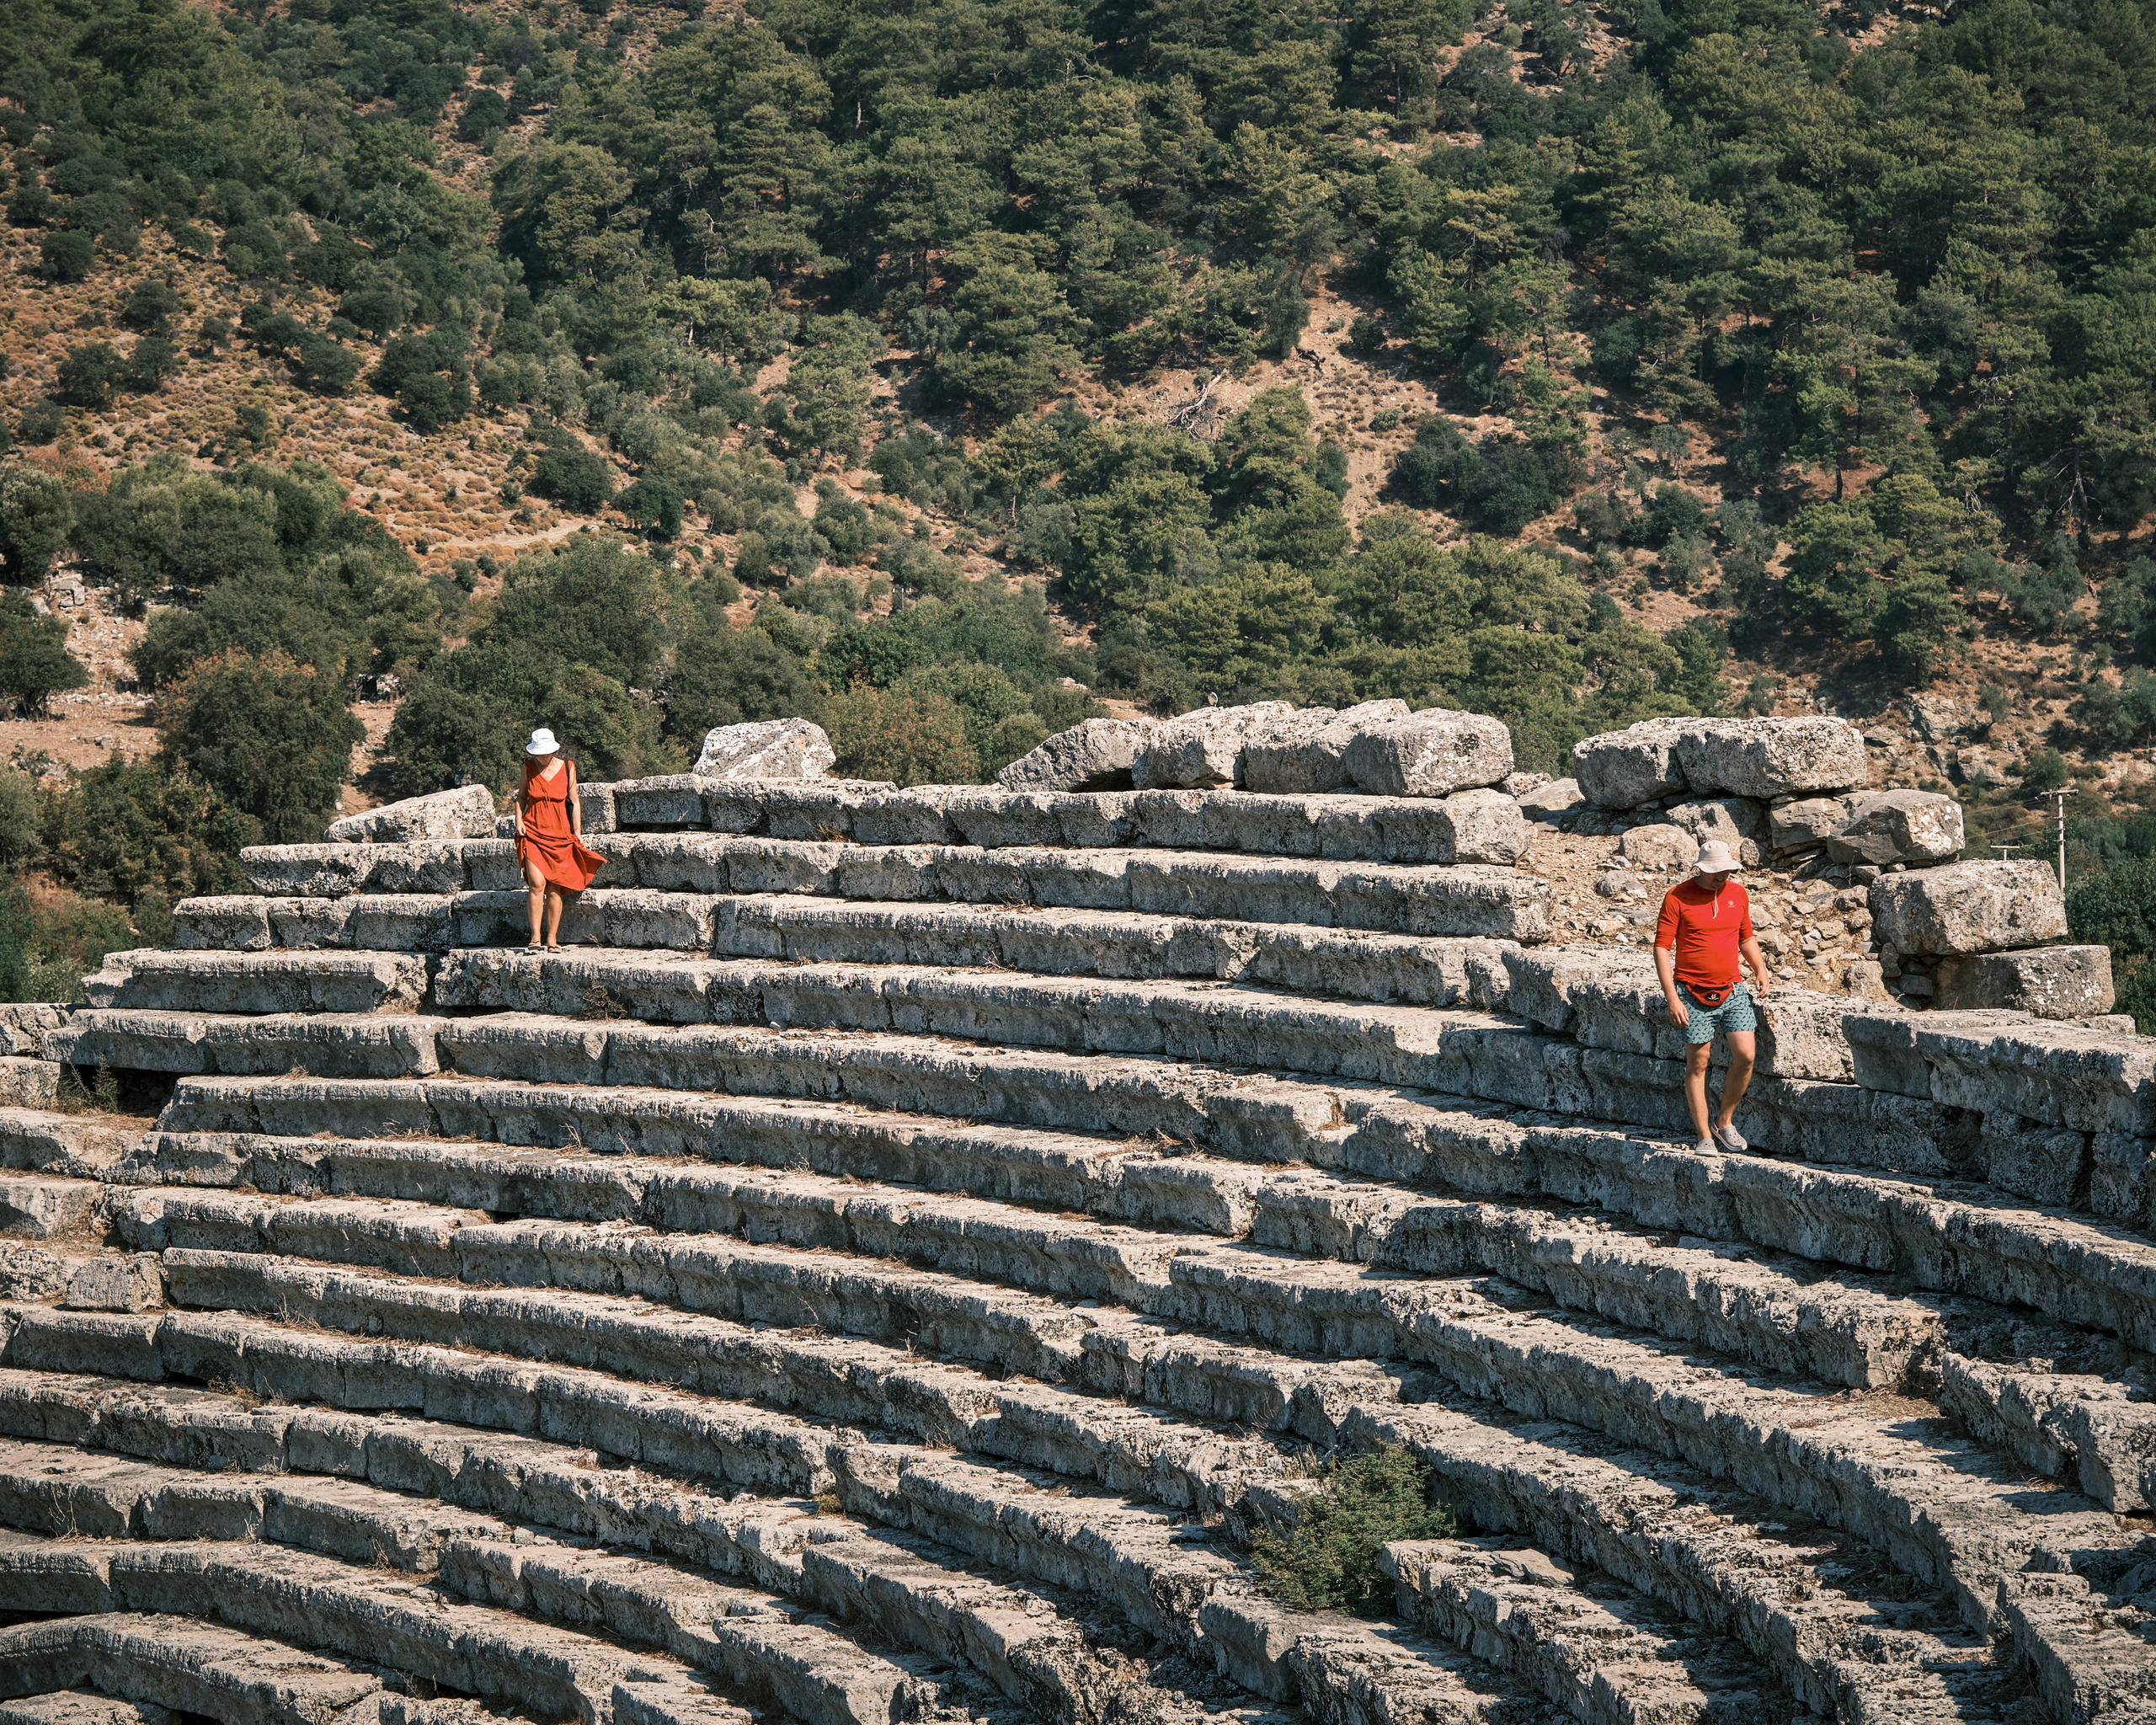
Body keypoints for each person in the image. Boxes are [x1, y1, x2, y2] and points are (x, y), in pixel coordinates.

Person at [1652, 838, 1772, 1156]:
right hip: (1690, 991)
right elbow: (1662, 948)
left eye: (1728, 871)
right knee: (1699, 1062)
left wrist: (1759, 968)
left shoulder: (1737, 893)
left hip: (1733, 989)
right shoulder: (1677, 896)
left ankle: (1724, 1121)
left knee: (1746, 1055)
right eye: (1717, 872)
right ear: (1701, 869)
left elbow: (1745, 936)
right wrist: (1672, 998)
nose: (1723, 877)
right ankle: (1704, 1135)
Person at [511, 727, 603, 949]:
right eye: (538, 753)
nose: (542, 757)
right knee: (536, 883)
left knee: (554, 888)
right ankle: (535, 938)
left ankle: (552, 939)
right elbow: (521, 797)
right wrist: (518, 820)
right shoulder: (528, 768)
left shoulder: (568, 768)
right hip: (533, 832)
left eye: (545, 752)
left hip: (560, 834)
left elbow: (575, 802)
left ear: (554, 749)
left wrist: (578, 832)